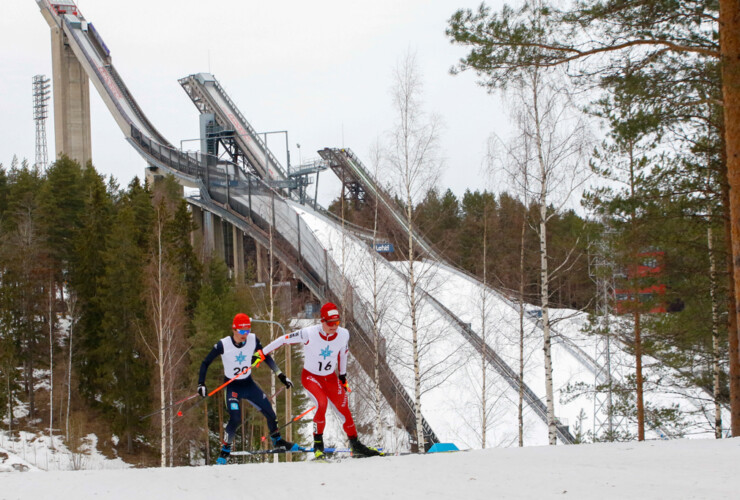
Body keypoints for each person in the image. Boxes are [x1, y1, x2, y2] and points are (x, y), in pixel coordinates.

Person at [262, 302, 382, 458]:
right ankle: (318, 445)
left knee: (344, 410)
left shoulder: (344, 334)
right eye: (330, 323)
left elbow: (343, 354)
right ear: (322, 321)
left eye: (337, 322)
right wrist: (262, 353)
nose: (334, 326)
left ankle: (356, 445)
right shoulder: (308, 333)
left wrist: (343, 377)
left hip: (330, 378)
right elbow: (283, 340)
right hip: (311, 377)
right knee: (322, 403)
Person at [198, 312, 296, 464]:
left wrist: (280, 375)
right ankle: (225, 450)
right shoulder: (223, 344)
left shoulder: (253, 339)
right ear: (234, 330)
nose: (245, 334)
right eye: (242, 331)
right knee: (235, 418)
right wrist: (201, 384)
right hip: (232, 386)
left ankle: (277, 441)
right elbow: (205, 363)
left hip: (248, 384)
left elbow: (265, 356)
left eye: (247, 330)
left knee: (270, 412)